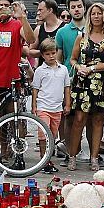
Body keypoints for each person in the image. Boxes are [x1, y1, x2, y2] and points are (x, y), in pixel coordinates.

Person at [68, 2, 104, 172]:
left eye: (99, 13)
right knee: (79, 119)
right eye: (93, 13)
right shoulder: (82, 36)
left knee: (98, 120)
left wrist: (92, 68)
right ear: (89, 16)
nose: (96, 16)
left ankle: (94, 157)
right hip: (83, 82)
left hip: (103, 83)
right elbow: (73, 59)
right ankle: (72, 156)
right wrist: (79, 67)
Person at [32, 38, 70, 173]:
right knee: (43, 134)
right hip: (43, 106)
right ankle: (44, 159)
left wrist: (67, 104)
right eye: (47, 54)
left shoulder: (63, 69)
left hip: (57, 107)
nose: (51, 56)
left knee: (52, 135)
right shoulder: (40, 70)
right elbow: (35, 89)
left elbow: (67, 87)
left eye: (53, 53)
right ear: (42, 55)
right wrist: (34, 106)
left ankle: (48, 157)